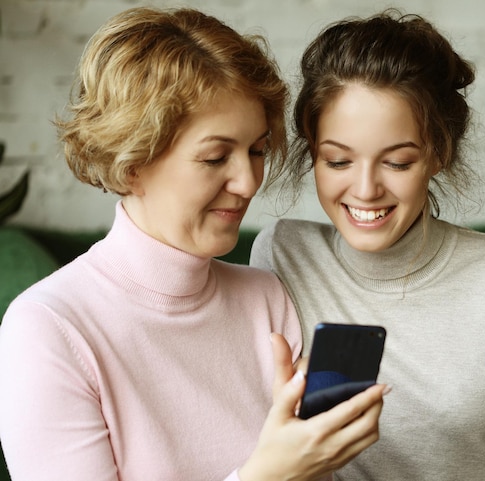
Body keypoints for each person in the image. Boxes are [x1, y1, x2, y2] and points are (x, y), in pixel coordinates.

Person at [0, 7, 387, 481]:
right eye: (215, 157)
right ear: (131, 164)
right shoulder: (49, 328)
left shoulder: (266, 299)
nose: (247, 182)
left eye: (257, 150)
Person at [250, 9, 485, 480]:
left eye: (398, 163)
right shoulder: (283, 255)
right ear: (312, 151)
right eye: (338, 160)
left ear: (438, 153)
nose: (366, 190)